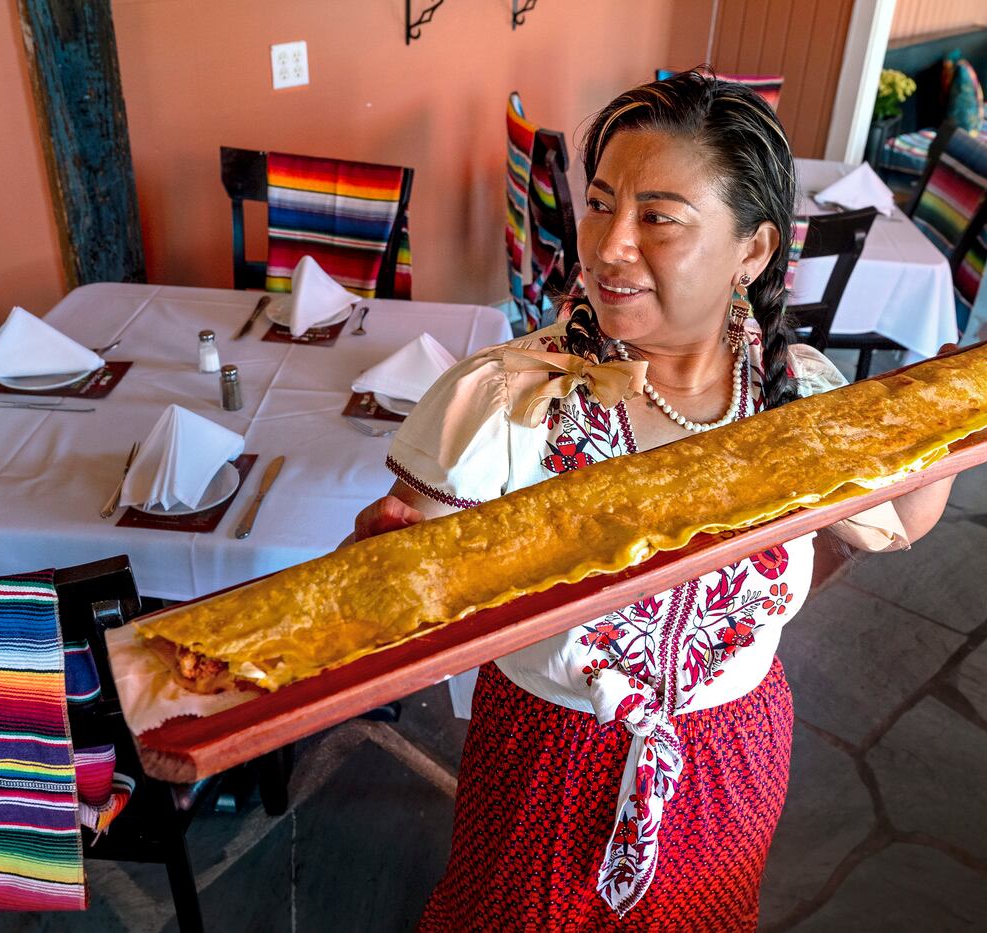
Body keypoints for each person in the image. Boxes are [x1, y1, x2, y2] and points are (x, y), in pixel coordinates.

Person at [351, 71, 954, 930]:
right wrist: (373, 566)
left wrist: (955, 422)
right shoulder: (507, 401)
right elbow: (394, 595)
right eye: (599, 204)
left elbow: (892, 523)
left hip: (730, 762)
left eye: (658, 218)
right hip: (545, 767)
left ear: (753, 250)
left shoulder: (801, 403)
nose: (607, 247)